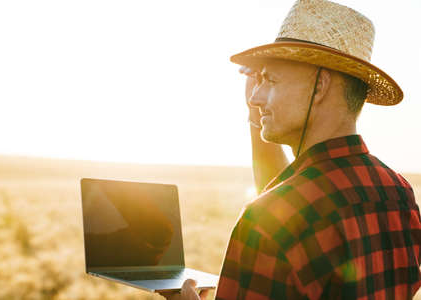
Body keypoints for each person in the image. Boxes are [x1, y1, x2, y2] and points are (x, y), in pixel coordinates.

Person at [161, 0, 421, 299]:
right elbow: (299, 193)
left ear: (319, 86)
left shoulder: (270, 221)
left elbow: (290, 209)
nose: (256, 98)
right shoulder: (399, 194)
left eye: (270, 80)